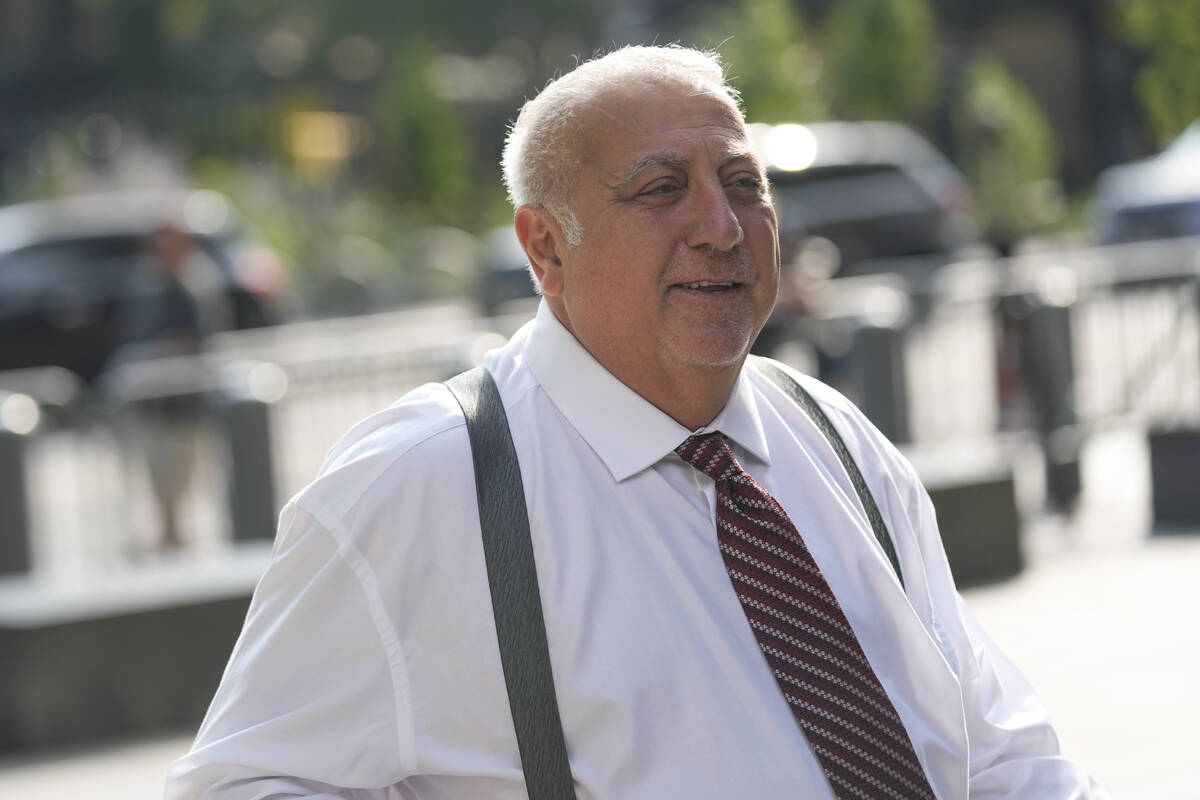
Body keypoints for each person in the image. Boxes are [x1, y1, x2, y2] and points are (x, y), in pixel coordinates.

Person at [165, 45, 1106, 798]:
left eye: (743, 183)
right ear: (545, 247)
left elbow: (1000, 750)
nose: (722, 227)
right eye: (661, 190)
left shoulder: (832, 436)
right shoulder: (422, 485)